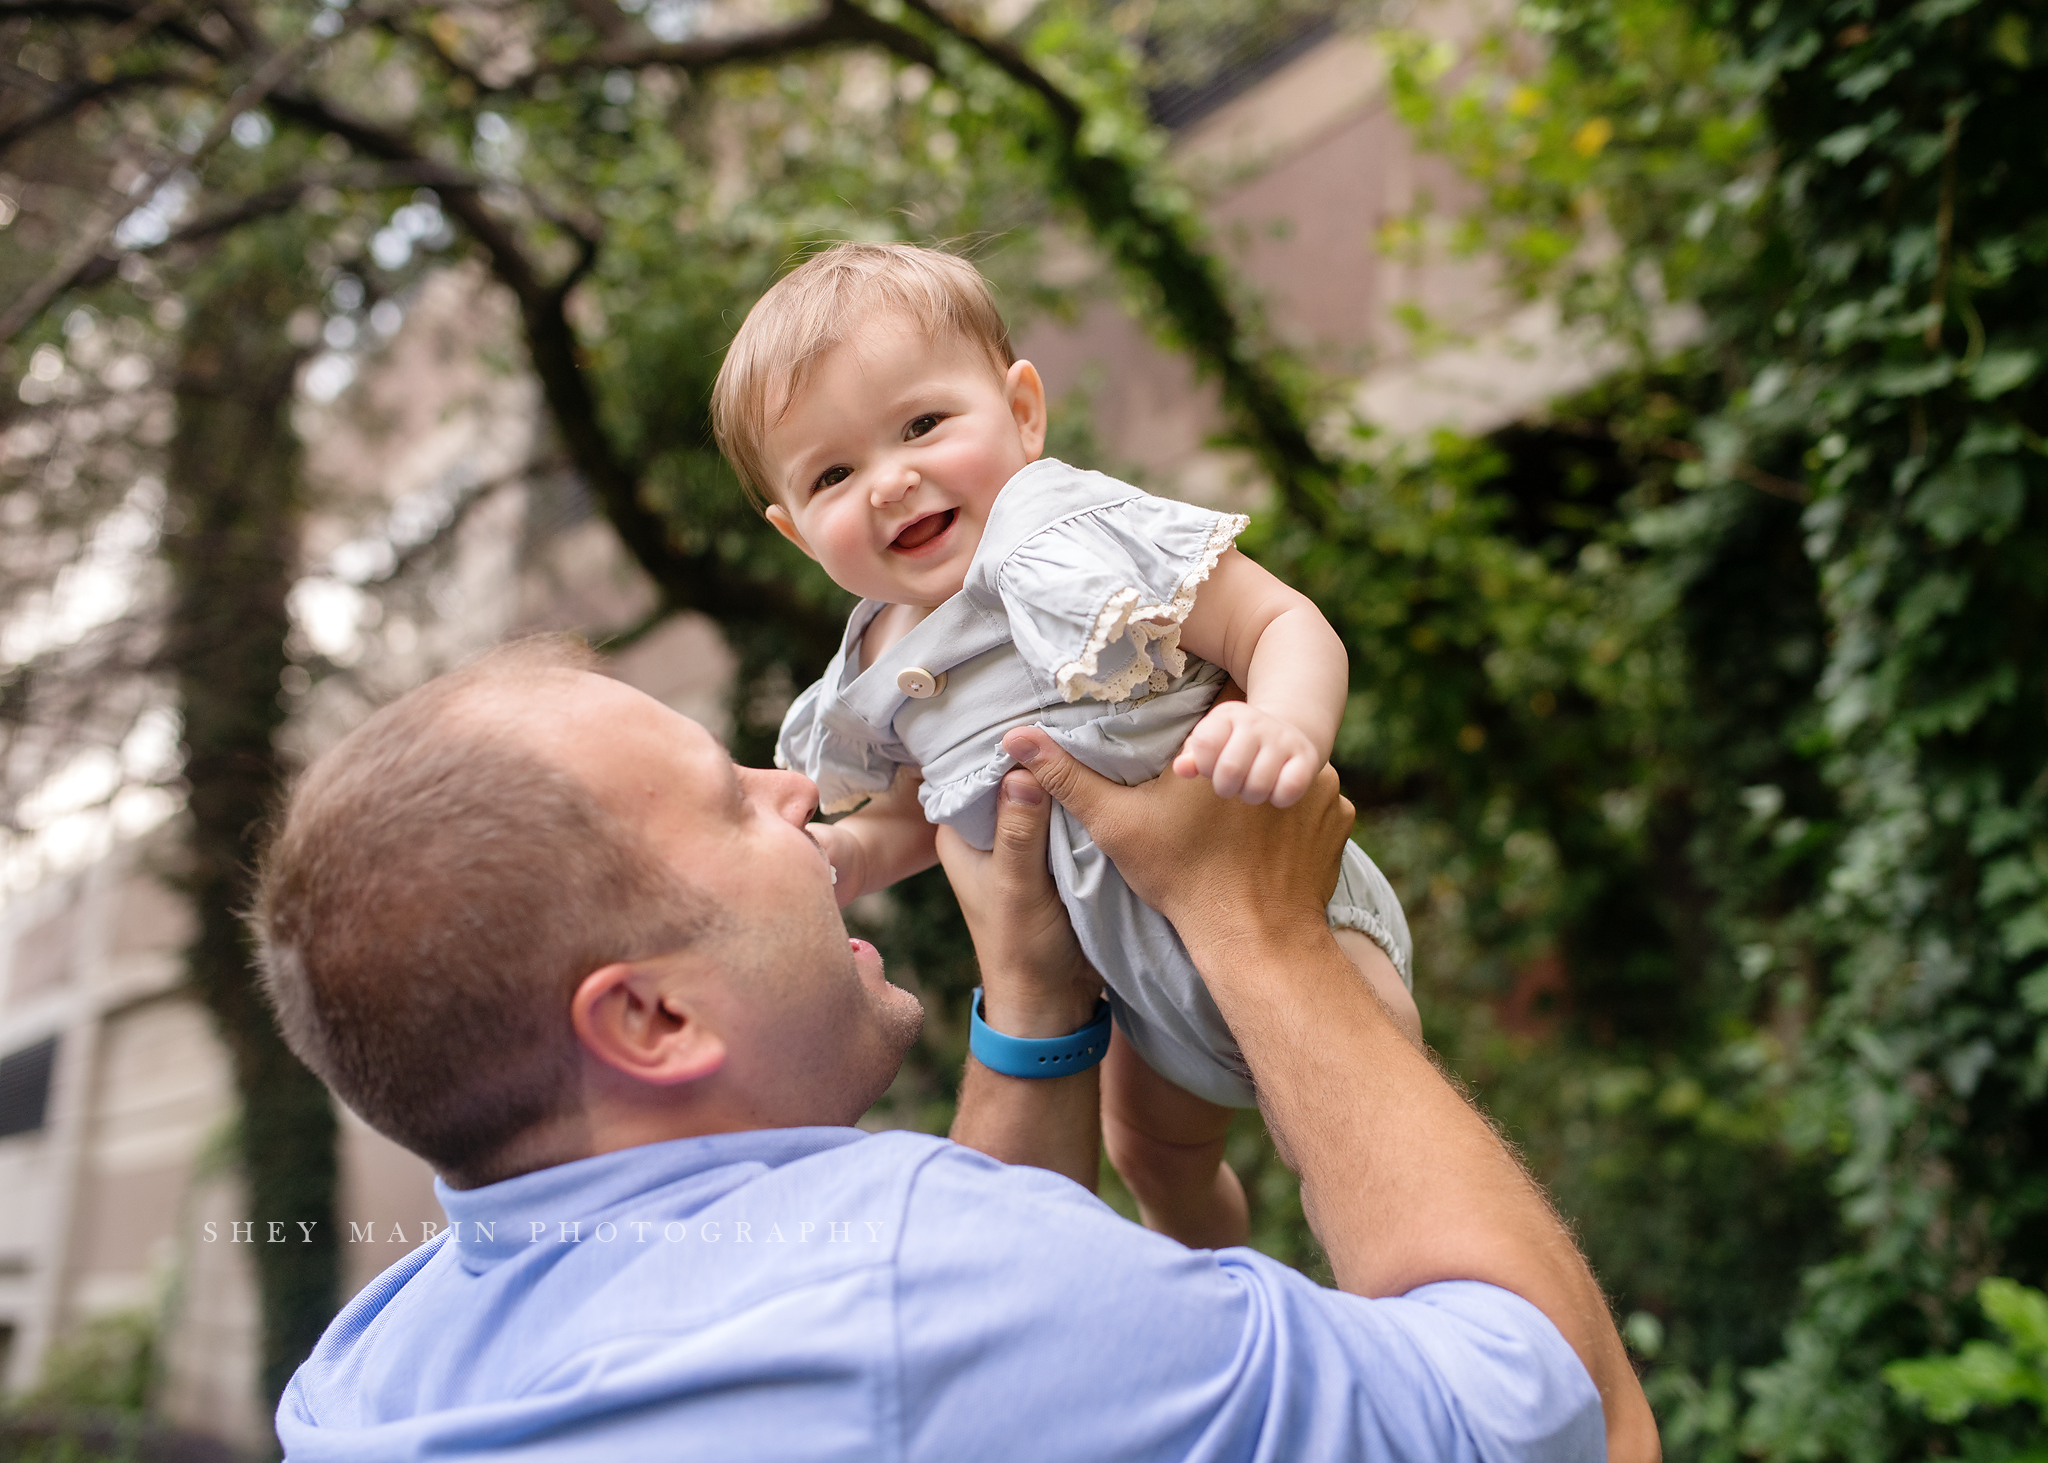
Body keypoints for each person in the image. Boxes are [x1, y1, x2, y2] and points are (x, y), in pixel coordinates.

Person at [252, 638, 1657, 1461]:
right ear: (653, 1019)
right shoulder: (919, 1287)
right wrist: (1264, 928)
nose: (793, 785)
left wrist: (1035, 1007)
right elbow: (1556, 1409)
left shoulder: (366, 1375)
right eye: (730, 806)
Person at [711, 241, 1419, 1249]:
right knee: (1155, 1160)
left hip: (1290, 908)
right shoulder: (881, 655)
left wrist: (1282, 723)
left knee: (1358, 1149)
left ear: (1022, 413)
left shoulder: (1076, 535)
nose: (890, 480)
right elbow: (929, 807)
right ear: (795, 532)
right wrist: (854, 851)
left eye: (921, 423)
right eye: (833, 472)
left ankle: (1404, 1322)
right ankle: (1221, 1280)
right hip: (1135, 985)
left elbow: (1279, 622)